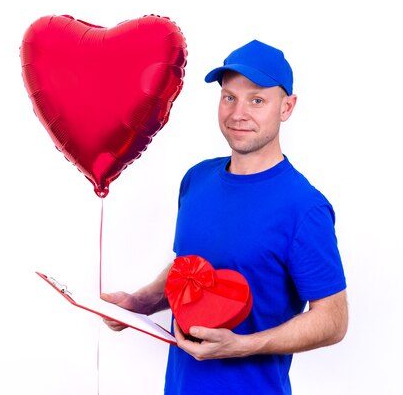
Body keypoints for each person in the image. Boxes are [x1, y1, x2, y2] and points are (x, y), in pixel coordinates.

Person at [101, 39, 348, 395]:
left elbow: (333, 319)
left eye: (257, 100)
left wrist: (244, 345)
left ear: (287, 107)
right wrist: (139, 302)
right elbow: (187, 268)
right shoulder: (196, 180)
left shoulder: (304, 207)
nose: (238, 114)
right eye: (229, 97)